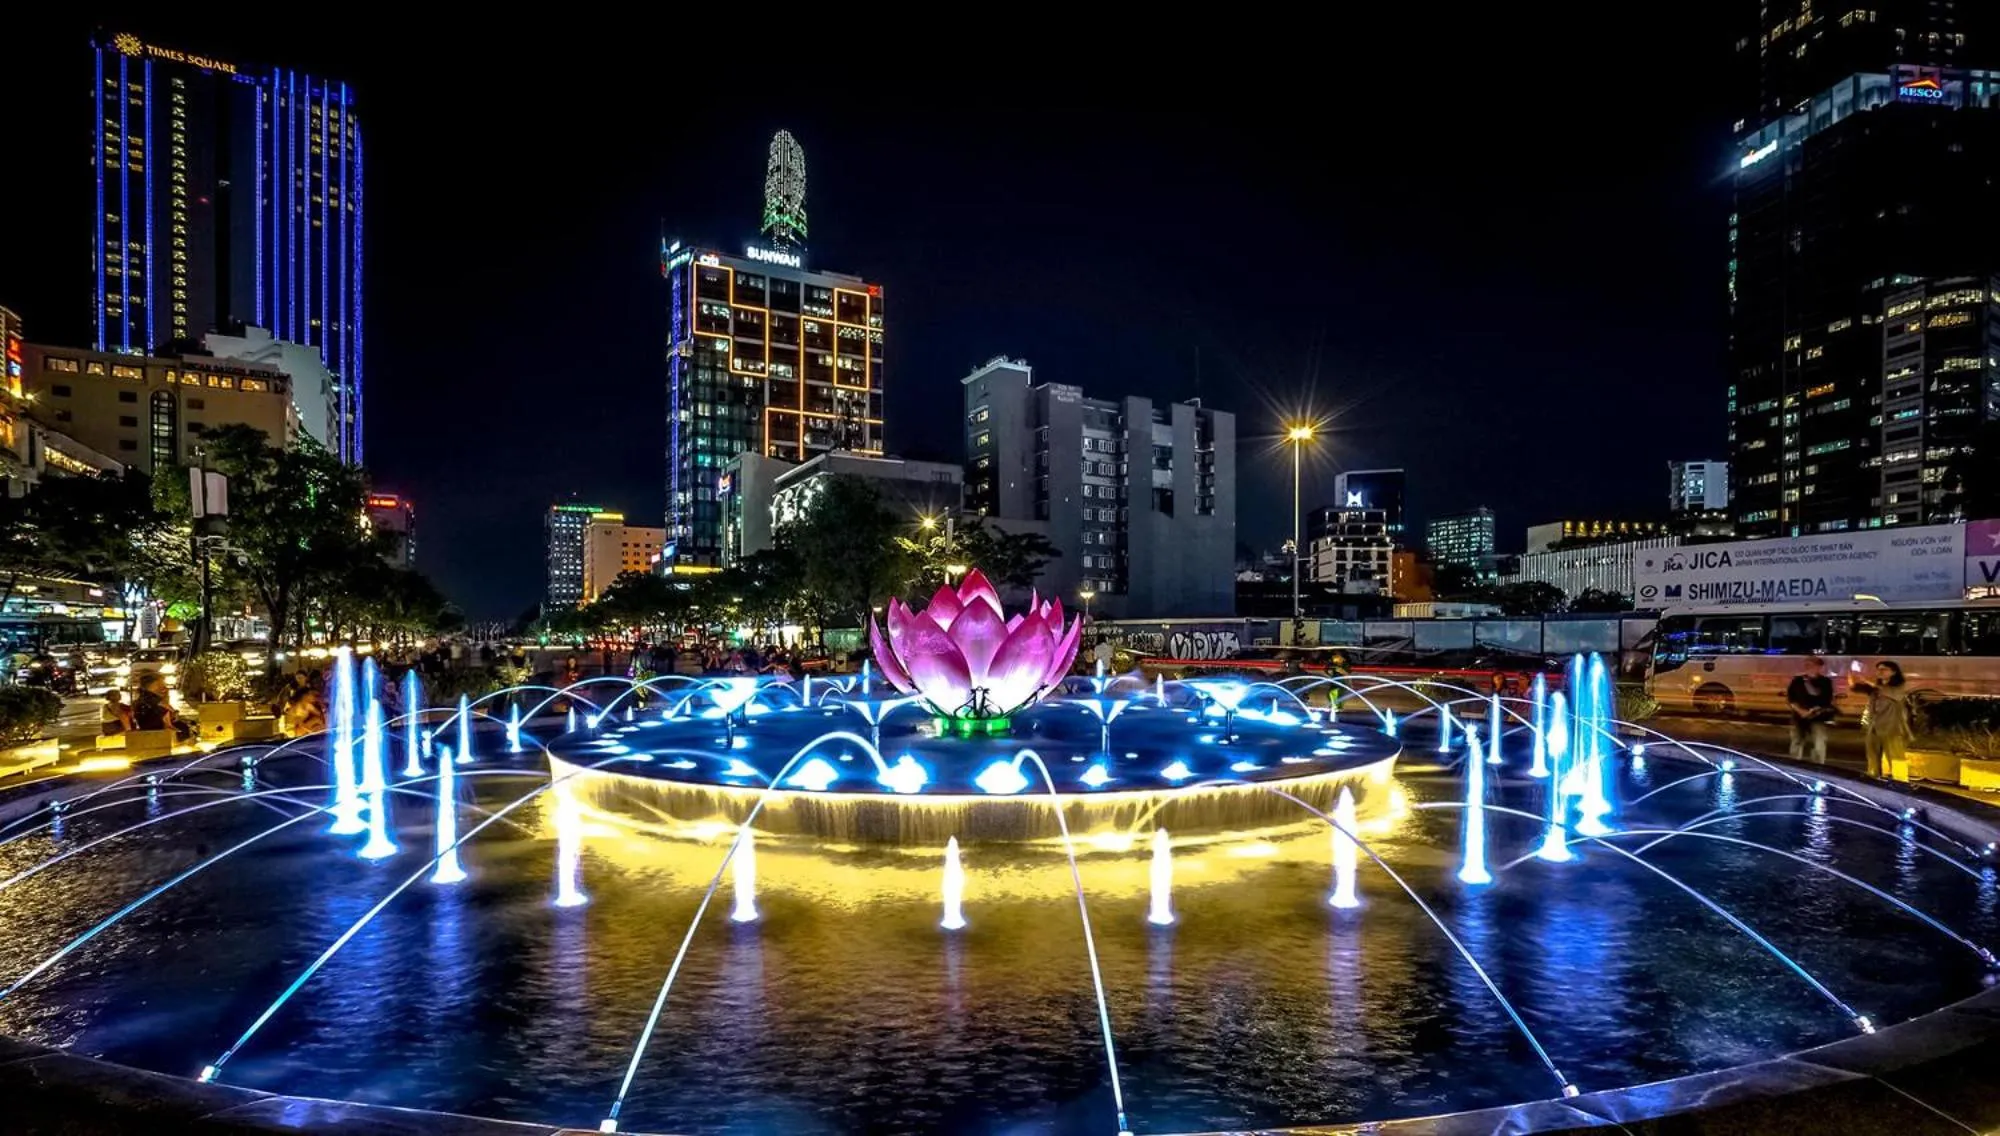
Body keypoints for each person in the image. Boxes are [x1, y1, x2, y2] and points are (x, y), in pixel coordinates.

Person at [1851, 660, 1914, 781]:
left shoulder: (1899, 687)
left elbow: (1892, 693)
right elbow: (1855, 688)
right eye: (1878, 669)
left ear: (1893, 672)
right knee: (1872, 758)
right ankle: (1874, 781)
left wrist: (1868, 681)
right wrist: (1853, 675)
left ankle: (1901, 784)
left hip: (1892, 729)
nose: (1879, 672)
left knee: (1896, 759)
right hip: (1874, 728)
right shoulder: (1875, 689)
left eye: (1884, 669)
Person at [1785, 655, 1836, 764]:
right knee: (1796, 743)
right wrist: (1800, 711)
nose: (1809, 667)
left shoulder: (1825, 682)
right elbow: (1791, 698)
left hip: (1817, 717)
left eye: (1813, 665)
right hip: (1798, 718)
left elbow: (1827, 700)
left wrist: (1813, 710)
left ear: (1819, 667)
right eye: (1808, 664)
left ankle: (1817, 768)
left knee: (1819, 745)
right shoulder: (1797, 680)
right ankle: (1794, 767)